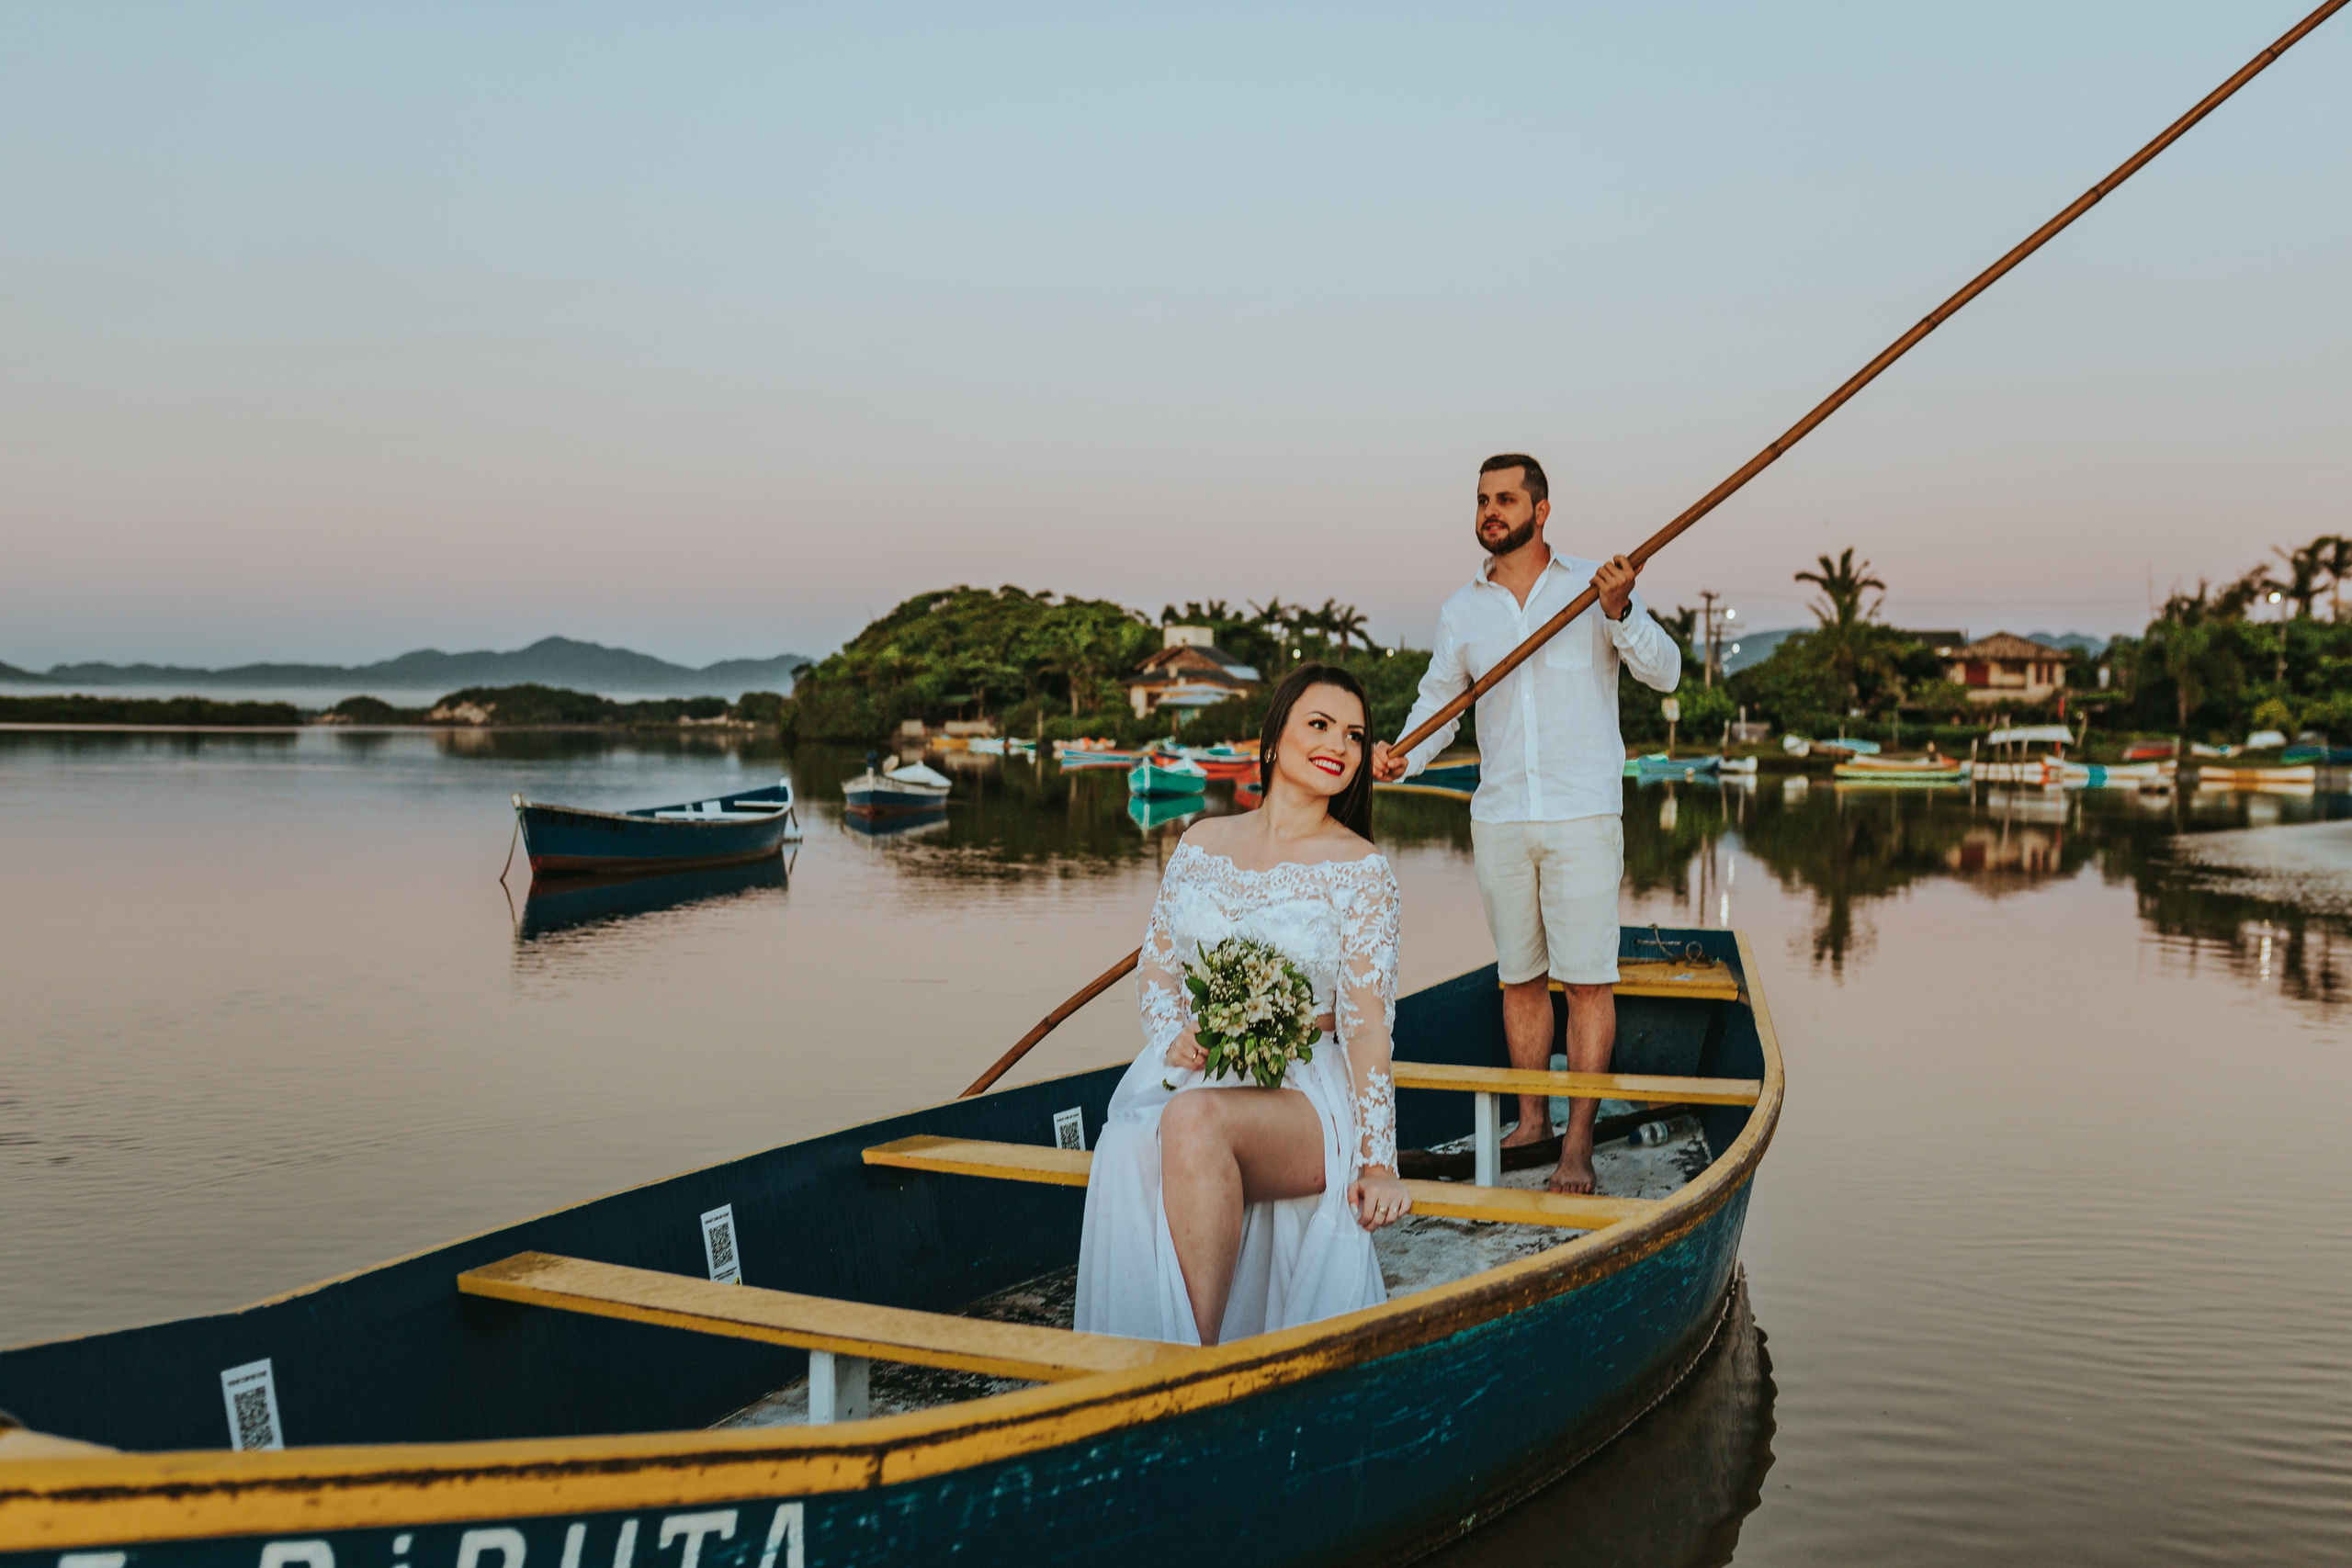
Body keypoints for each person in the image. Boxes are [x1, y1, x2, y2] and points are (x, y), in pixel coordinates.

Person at [1371, 454, 1679, 1194]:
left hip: (1582, 812)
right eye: (1482, 499)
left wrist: (1622, 611)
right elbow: (1438, 702)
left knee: (1588, 982)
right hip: (1501, 814)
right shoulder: (1462, 611)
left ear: (1542, 511)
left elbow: (1664, 671)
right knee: (1520, 979)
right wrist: (1399, 755)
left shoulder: (1594, 586)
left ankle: (1577, 1146)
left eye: (1505, 499)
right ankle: (1532, 1120)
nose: (1490, 510)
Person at [1075, 663, 1407, 1346]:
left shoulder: (1363, 869)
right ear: (1274, 735)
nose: (1339, 746)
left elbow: (1369, 1028)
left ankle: (1192, 1372)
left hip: (1308, 1090)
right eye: (1319, 725)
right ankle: (1147, 1355)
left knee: (1192, 1119)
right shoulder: (1200, 843)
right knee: (1133, 1142)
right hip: (1204, 1064)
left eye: (1354, 735)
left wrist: (1379, 1161)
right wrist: (1173, 1034)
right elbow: (1157, 968)